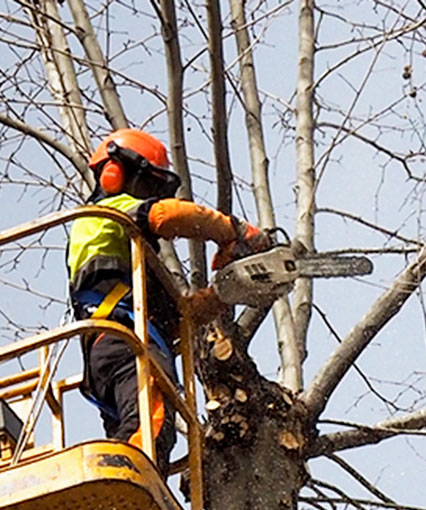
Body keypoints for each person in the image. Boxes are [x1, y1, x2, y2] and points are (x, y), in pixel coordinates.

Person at [66, 128, 273, 466]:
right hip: (124, 343)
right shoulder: (104, 215)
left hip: (116, 348)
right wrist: (235, 231)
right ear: (116, 173)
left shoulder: (134, 261)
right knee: (147, 433)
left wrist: (223, 293)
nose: (151, 198)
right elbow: (169, 216)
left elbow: (178, 318)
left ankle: (124, 505)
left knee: (151, 439)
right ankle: (123, 486)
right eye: (149, 187)